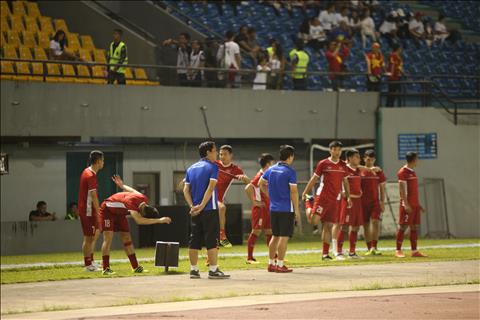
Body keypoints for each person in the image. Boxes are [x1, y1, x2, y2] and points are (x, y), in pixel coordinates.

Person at [99, 175, 171, 275]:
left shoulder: (144, 198)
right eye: (142, 215)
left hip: (120, 212)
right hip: (107, 209)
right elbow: (139, 220)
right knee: (108, 238)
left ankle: (135, 267)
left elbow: (132, 190)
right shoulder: (131, 204)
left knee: (127, 238)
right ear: (143, 213)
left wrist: (122, 185)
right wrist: (159, 220)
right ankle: (105, 268)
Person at [183, 141, 230, 279]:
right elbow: (210, 188)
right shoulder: (213, 167)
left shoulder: (191, 168)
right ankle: (213, 270)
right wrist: (203, 205)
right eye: (215, 151)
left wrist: (192, 206)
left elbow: (186, 190)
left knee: (194, 239)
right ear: (208, 152)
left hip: (195, 211)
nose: (217, 154)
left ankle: (193, 270)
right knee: (212, 240)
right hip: (209, 209)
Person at [302, 141, 351, 260]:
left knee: (328, 226)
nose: (337, 152)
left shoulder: (343, 165)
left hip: (335, 199)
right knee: (314, 221)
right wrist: (305, 192)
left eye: (339, 150)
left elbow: (345, 181)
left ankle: (325, 254)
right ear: (330, 150)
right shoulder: (323, 163)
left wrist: (348, 196)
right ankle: (308, 202)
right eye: (334, 149)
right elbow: (314, 179)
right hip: (322, 197)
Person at [258, 145, 300, 273]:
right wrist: (297, 210)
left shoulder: (271, 169)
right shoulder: (290, 171)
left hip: (274, 208)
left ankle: (271, 264)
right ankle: (280, 265)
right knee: (284, 237)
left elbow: (260, 184)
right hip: (286, 209)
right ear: (290, 157)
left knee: (275, 236)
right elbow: (293, 192)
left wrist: (269, 195)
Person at [216, 145, 249, 247]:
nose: (222, 156)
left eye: (225, 154)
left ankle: (210, 257)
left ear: (231, 155)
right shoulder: (214, 164)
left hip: (218, 199)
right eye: (221, 154)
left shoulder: (235, 169)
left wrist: (243, 177)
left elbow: (248, 182)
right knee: (222, 207)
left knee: (213, 225)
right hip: (207, 197)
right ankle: (222, 234)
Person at [395, 152, 427, 258]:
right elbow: (402, 190)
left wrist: (418, 205)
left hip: (415, 204)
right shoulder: (402, 172)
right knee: (403, 226)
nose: (418, 161)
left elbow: (413, 190)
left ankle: (414, 251)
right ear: (414, 160)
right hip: (407, 204)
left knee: (414, 227)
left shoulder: (412, 172)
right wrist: (406, 204)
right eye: (417, 159)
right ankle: (398, 250)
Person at [244, 153, 275, 264]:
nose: (274, 165)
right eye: (272, 163)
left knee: (269, 231)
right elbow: (248, 187)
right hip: (260, 209)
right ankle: (249, 258)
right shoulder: (260, 176)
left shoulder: (266, 175)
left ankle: (274, 257)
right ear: (268, 164)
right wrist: (254, 202)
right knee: (256, 231)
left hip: (267, 208)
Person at [78, 150, 104, 272]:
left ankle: (91, 261)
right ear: (98, 161)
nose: (103, 163)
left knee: (94, 235)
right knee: (88, 238)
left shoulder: (87, 172)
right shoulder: (90, 175)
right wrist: (99, 212)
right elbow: (93, 196)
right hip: (88, 211)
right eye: (102, 160)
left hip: (89, 210)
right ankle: (88, 265)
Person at [336, 150, 364, 260]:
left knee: (356, 227)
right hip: (348, 202)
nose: (359, 159)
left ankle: (352, 252)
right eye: (357, 157)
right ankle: (339, 252)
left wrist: (360, 191)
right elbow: (342, 188)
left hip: (357, 202)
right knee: (344, 227)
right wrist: (348, 196)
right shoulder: (345, 169)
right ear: (350, 158)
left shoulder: (357, 170)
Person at [361, 150, 386, 255]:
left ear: (374, 160)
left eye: (371, 158)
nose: (369, 160)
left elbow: (382, 187)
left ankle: (374, 247)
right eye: (367, 158)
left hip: (375, 202)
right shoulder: (360, 170)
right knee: (366, 225)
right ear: (364, 159)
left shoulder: (379, 172)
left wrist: (382, 201)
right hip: (362, 202)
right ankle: (369, 248)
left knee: (375, 222)